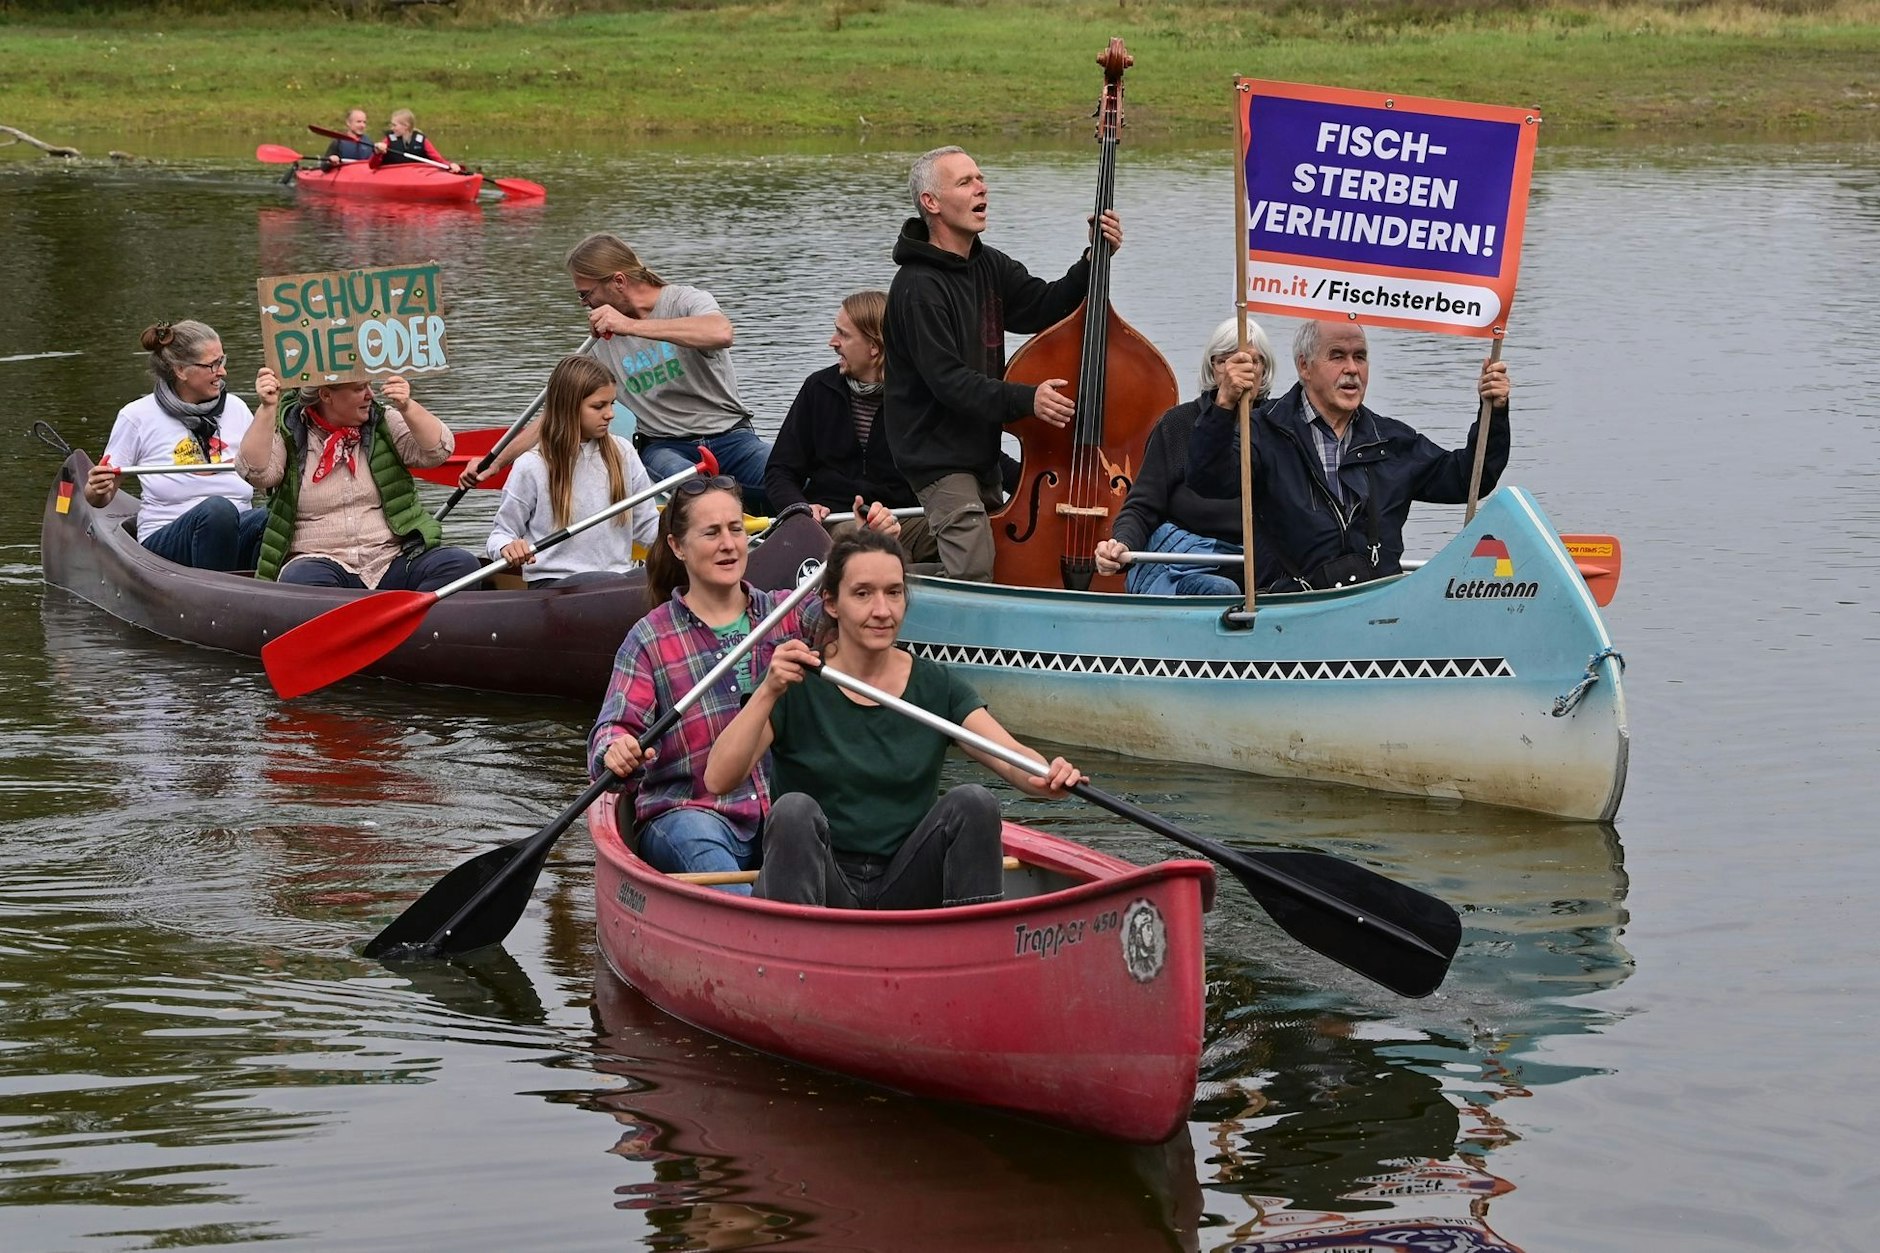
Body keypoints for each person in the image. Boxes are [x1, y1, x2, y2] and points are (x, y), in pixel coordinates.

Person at [704, 529, 1083, 910]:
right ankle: (795, 952)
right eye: (863, 593)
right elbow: (718, 779)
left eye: (894, 592)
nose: (882, 610)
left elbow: (1011, 755)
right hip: (822, 886)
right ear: (832, 603)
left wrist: (1049, 775)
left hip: (907, 882)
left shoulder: (935, 683)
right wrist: (768, 691)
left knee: (975, 802)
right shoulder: (796, 679)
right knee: (793, 811)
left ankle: (973, 952)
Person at [883, 145, 1123, 581]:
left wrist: (1093, 258)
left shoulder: (988, 264)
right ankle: (876, 586)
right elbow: (948, 381)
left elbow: (1044, 307)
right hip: (936, 458)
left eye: (980, 177)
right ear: (931, 203)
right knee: (973, 568)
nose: (982, 188)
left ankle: (891, 575)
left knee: (1006, 560)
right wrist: (1027, 399)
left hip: (981, 454)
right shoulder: (917, 288)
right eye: (965, 182)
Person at [1185, 320, 1511, 592]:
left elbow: (1469, 480)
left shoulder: (1391, 440)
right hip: (1289, 613)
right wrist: (1224, 405)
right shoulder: (1262, 431)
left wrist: (1492, 413)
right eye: (1337, 356)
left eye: (1360, 357)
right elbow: (1207, 479)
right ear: (1304, 366)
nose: (1352, 369)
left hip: (1379, 610)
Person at [567, 232, 771, 509]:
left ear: (618, 281)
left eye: (585, 294)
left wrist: (630, 326)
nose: (585, 305)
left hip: (734, 438)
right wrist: (498, 460)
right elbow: (563, 407)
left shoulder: (684, 301)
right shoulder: (599, 344)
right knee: (697, 494)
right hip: (665, 447)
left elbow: (722, 332)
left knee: (795, 478)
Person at [238, 368, 481, 590]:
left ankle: (409, 629)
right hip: (319, 563)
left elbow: (438, 451)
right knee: (303, 581)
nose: (369, 395)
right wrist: (267, 408)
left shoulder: (383, 421)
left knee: (461, 565)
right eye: (358, 389)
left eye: (368, 386)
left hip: (390, 559)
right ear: (325, 395)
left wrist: (407, 406)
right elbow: (257, 474)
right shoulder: (292, 429)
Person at [1092, 318, 1273, 595]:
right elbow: (1143, 506)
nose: (1241, 371)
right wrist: (1121, 544)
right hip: (1182, 561)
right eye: (1228, 361)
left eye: (1252, 362)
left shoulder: (1279, 427)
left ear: (1265, 370)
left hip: (1254, 561)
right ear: (1214, 367)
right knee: (1219, 591)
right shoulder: (1178, 423)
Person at [764, 290, 938, 563]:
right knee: (857, 541)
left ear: (874, 347)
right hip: (837, 521)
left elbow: (974, 453)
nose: (832, 342)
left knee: (965, 531)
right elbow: (780, 470)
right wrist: (800, 509)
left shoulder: (920, 396)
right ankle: (895, 584)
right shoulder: (818, 389)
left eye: (843, 335)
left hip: (903, 520)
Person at [84, 321, 268, 572]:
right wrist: (95, 489)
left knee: (273, 517)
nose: (223, 372)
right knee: (217, 511)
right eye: (213, 365)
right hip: (166, 539)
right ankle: (219, 593)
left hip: (234, 527)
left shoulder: (236, 408)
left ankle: (264, 588)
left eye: (222, 361)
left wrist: (271, 409)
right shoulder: (137, 416)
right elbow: (101, 499)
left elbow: (266, 480)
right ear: (181, 370)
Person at [487, 354, 659, 587]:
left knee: (654, 579)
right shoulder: (532, 465)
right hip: (555, 585)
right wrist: (508, 547)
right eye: (598, 406)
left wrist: (687, 547)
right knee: (609, 582)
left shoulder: (624, 453)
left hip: (617, 581)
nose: (610, 414)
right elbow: (500, 536)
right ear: (568, 408)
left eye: (612, 404)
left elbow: (649, 526)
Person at [372, 108, 465, 174]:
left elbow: (438, 160)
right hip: (393, 174)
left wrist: (450, 165)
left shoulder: (421, 140)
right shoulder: (388, 140)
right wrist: (377, 152)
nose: (392, 128)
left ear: (406, 126)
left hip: (417, 175)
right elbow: (372, 165)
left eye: (394, 125)